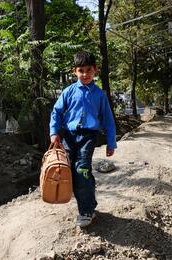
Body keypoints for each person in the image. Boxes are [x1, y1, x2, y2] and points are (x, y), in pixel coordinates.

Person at [49, 51, 117, 227]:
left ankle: (86, 211)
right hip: (69, 136)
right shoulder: (68, 92)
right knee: (70, 170)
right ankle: (89, 198)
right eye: (81, 70)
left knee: (82, 170)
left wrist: (111, 142)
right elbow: (56, 112)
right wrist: (54, 133)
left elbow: (108, 119)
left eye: (89, 70)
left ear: (95, 70)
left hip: (88, 136)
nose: (85, 74)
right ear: (75, 71)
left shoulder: (100, 95)